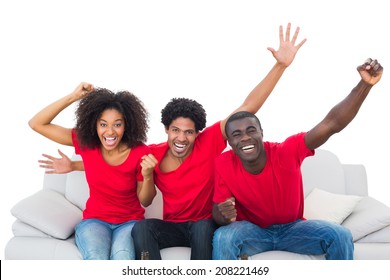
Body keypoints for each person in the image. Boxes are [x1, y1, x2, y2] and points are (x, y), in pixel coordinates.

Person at [36, 23, 306, 259]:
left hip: (205, 224)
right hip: (173, 226)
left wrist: (279, 66)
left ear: (197, 133)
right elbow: (114, 163)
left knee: (201, 226)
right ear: (166, 130)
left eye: (189, 132)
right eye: (175, 130)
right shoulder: (151, 154)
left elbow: (247, 107)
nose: (181, 137)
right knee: (142, 228)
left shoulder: (209, 142)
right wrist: (75, 166)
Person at [212, 58, 383, 260]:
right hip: (252, 231)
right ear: (230, 142)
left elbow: (332, 124)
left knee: (340, 234)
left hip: (294, 229)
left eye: (251, 130)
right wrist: (222, 215)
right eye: (237, 134)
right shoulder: (223, 162)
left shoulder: (287, 151)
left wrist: (364, 86)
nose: (245, 137)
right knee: (223, 236)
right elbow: (218, 210)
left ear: (261, 133)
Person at [29, 84, 157, 260]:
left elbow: (146, 200)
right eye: (103, 124)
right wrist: (73, 97)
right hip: (95, 221)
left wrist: (148, 175)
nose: (110, 132)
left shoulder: (139, 152)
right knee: (96, 257)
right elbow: (36, 124)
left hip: (130, 222)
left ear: (126, 126)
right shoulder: (87, 144)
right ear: (94, 125)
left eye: (117, 124)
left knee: (123, 257)